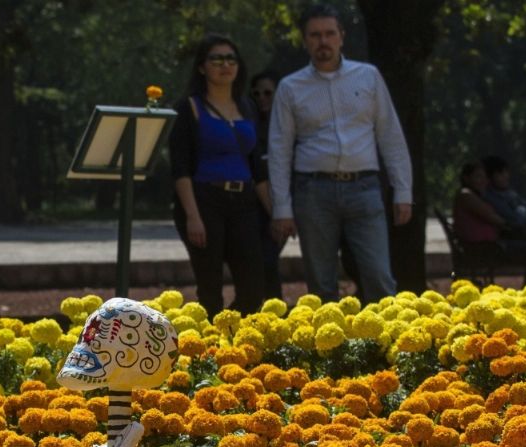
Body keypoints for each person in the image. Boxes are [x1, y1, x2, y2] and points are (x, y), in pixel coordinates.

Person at [268, 3, 412, 304]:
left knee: (379, 278)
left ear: (341, 36)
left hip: (365, 187)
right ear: (305, 40)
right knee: (320, 284)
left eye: (329, 34)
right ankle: (327, 350)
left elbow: (390, 136)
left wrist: (403, 191)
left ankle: (387, 348)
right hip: (313, 190)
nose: (323, 41)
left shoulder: (368, 77)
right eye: (315, 35)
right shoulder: (291, 87)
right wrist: (282, 207)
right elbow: (280, 150)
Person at [169, 34, 267, 315]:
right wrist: (193, 216)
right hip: (204, 201)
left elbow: (256, 167)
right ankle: (211, 353)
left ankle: (237, 342)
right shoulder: (188, 107)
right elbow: (180, 167)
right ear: (202, 67)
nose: (225, 65)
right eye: (216, 59)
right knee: (210, 289)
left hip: (244, 202)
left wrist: (277, 212)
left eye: (231, 59)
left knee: (253, 287)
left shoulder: (247, 106)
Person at [453, 162, 526, 286]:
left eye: (484, 177)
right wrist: (511, 223)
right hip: (485, 249)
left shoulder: (477, 195)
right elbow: (494, 217)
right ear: (466, 178)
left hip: (491, 246)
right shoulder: (466, 195)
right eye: (478, 177)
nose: (483, 181)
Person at [249, 70, 285, 301]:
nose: (262, 98)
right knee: (260, 260)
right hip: (255, 206)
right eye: (257, 94)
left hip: (281, 204)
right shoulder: (250, 127)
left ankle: (274, 307)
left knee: (269, 260)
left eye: (268, 93)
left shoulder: (286, 128)